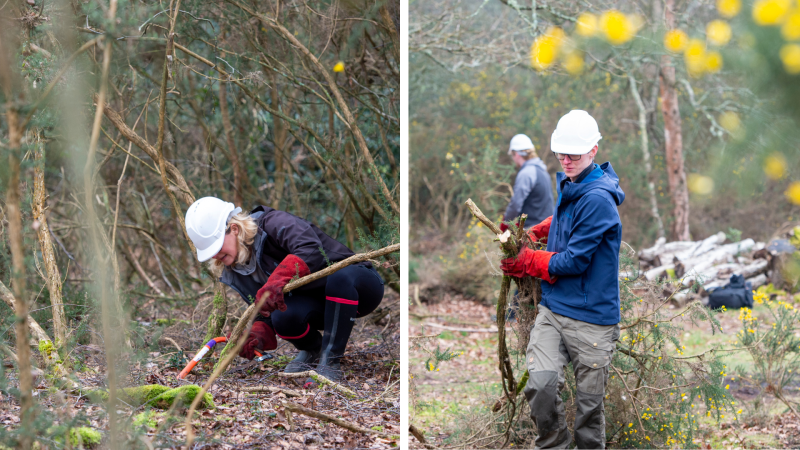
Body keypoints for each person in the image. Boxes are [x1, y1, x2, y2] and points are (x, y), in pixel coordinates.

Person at [500, 110, 624, 449]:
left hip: (593, 322)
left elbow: (574, 261)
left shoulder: (598, 196)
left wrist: (527, 261)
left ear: (593, 150)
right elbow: (572, 216)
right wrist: (545, 227)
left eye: (574, 154)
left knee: (588, 415)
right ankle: (554, 445)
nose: (566, 160)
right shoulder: (576, 184)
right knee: (540, 385)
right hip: (555, 310)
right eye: (561, 153)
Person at [184, 197, 384, 384]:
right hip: (320, 306)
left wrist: (278, 279)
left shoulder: (273, 223)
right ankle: (313, 350)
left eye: (217, 246)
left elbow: (310, 249)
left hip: (359, 289)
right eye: (211, 253)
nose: (217, 256)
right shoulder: (235, 271)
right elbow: (265, 311)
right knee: (282, 315)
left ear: (234, 229)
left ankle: (330, 361)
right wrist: (257, 334)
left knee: (340, 276)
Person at [500, 134, 555, 233]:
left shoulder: (527, 173)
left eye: (512, 155)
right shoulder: (542, 170)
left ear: (516, 154)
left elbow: (516, 203)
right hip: (546, 228)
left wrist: (506, 222)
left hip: (533, 230)